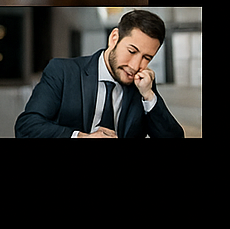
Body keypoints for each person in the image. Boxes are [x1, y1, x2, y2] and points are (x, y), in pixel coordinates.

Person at [15, 10, 184, 138]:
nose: (135, 66)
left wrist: (148, 96)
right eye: (132, 51)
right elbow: (27, 127)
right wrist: (81, 137)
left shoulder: (142, 85)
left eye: (146, 58)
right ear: (114, 38)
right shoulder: (63, 71)